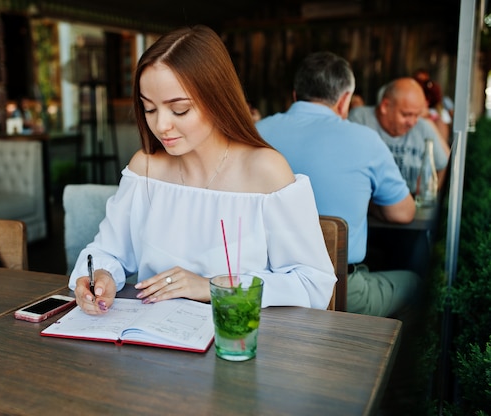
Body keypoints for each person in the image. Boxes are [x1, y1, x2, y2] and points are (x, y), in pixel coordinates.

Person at [69, 25, 336, 315]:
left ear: (217, 99)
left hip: (238, 342)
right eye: (149, 108)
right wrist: (102, 276)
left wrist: (213, 286)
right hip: (153, 341)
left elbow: (313, 284)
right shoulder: (145, 169)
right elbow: (107, 252)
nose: (161, 126)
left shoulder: (265, 171)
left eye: (179, 109)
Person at [256, 51, 419, 318]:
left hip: (266, 287)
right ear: (345, 101)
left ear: (295, 95)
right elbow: (403, 213)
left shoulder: (256, 132)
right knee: (414, 281)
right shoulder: (366, 140)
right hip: (341, 292)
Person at [349, 77, 450, 194]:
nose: (412, 122)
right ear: (385, 106)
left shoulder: (423, 126)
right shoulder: (360, 120)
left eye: (417, 115)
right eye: (406, 115)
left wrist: (429, 196)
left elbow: (441, 164)